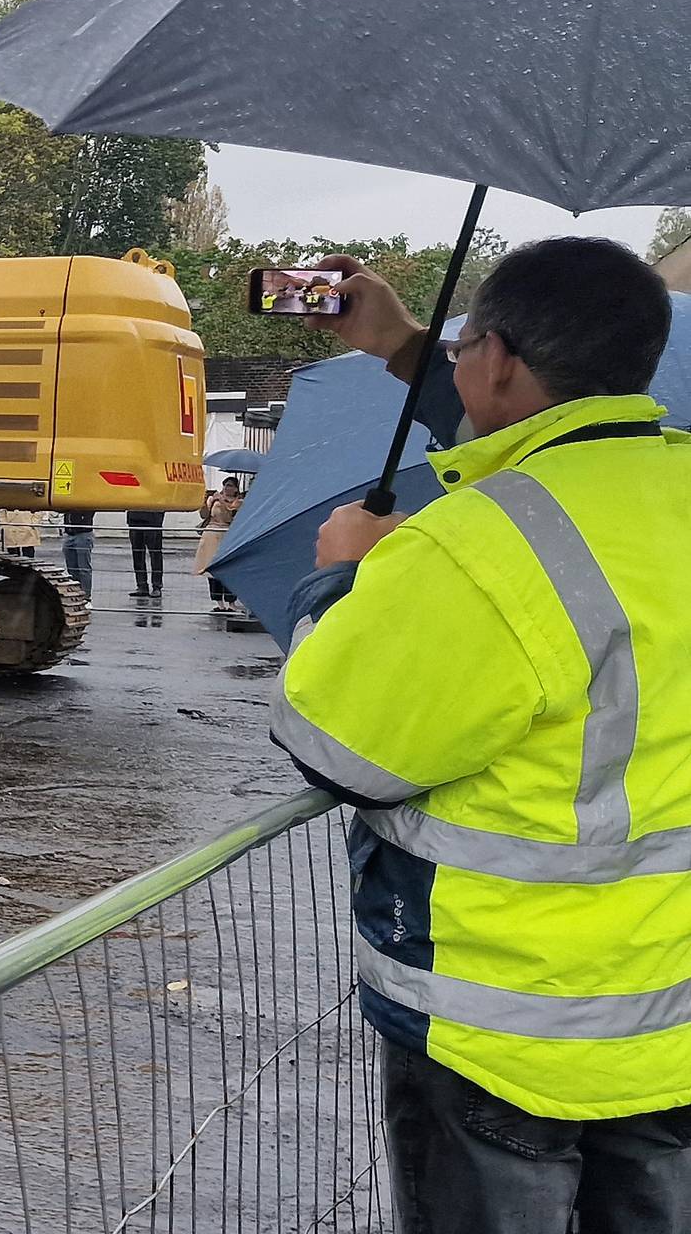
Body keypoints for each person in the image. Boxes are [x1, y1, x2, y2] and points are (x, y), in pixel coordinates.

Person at [275, 238, 691, 1228]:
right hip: (665, 1015)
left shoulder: (474, 545)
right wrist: (405, 343)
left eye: (464, 347)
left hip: (495, 1032)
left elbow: (337, 747)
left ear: (497, 358)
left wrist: (342, 578)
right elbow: (550, 449)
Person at [195, 478, 243, 606]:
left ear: (235, 488)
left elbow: (230, 516)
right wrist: (205, 502)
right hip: (212, 535)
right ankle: (218, 602)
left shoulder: (239, 502)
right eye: (225, 485)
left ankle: (231, 602)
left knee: (229, 569)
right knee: (212, 569)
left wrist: (222, 501)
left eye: (230, 486)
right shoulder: (214, 499)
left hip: (228, 535)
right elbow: (204, 515)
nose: (227, 488)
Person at [125, 509, 167, 599]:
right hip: (135, 518)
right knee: (137, 553)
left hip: (153, 518)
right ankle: (142, 585)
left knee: (155, 553)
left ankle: (156, 586)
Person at [59, 510, 97, 595]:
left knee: (84, 568)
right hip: (69, 533)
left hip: (83, 533)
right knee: (71, 568)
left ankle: (86, 596)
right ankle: (76, 592)